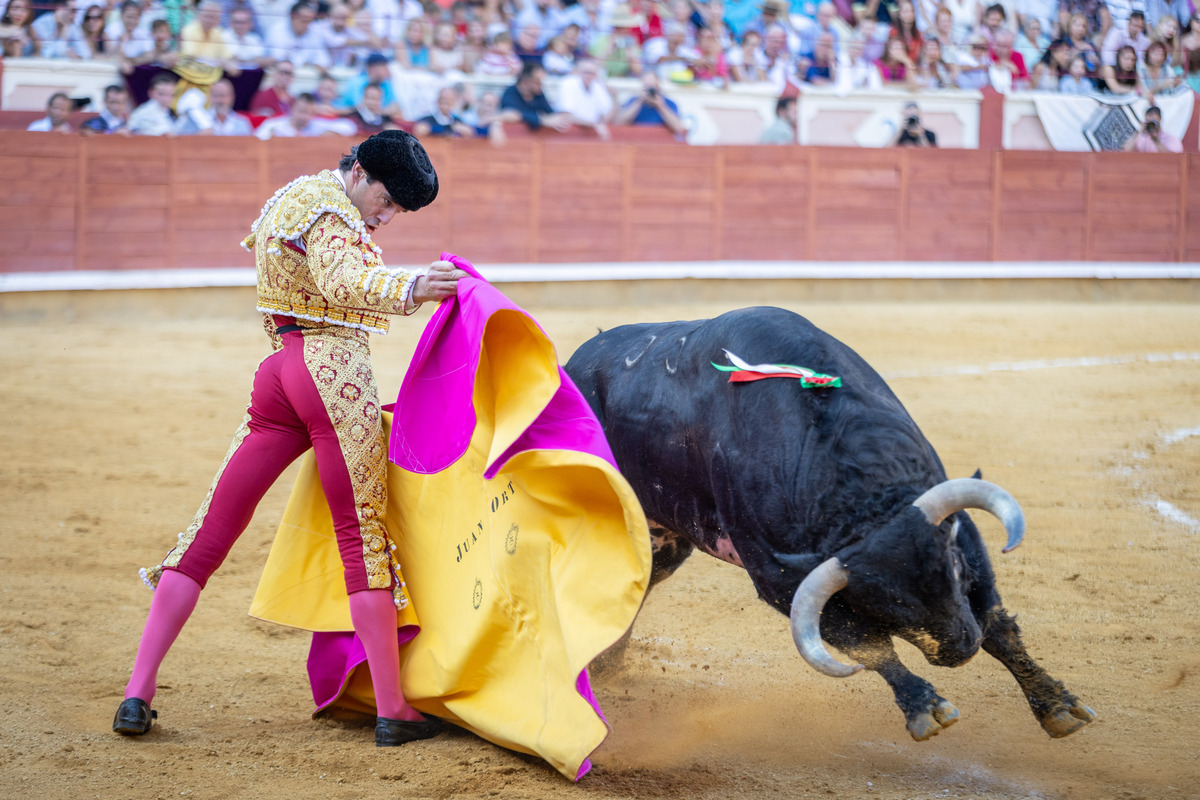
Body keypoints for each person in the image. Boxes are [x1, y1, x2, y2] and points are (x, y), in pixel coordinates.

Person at [112, 130, 465, 749]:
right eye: (385, 202)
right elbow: (342, 280)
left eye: (397, 213)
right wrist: (412, 288)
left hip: (278, 372)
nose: (385, 218)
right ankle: (392, 711)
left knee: (209, 530)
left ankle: (137, 692)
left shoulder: (292, 197)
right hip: (332, 374)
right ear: (358, 172)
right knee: (362, 537)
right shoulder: (332, 211)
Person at [499, 61, 574, 133]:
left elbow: (550, 113)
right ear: (525, 82)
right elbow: (513, 114)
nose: (541, 86)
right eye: (537, 82)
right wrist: (543, 120)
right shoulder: (510, 93)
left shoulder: (538, 94)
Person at [555, 57, 615, 140]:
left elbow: (606, 115)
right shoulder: (568, 83)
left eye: (592, 73)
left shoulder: (597, 85)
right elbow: (566, 116)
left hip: (591, 135)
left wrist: (615, 97)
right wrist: (595, 124)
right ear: (577, 72)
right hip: (569, 134)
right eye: (586, 72)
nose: (589, 76)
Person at [614, 70, 685, 137]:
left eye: (652, 87)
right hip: (636, 141)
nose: (650, 91)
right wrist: (639, 101)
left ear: (658, 86)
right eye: (647, 87)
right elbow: (620, 123)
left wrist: (660, 106)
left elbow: (678, 128)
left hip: (661, 143)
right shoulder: (634, 101)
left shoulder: (668, 103)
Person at [412, 86, 477, 137]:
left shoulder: (458, 121)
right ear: (437, 100)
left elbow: (469, 132)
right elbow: (419, 130)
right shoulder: (426, 120)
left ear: (454, 102)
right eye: (443, 99)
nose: (445, 101)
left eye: (449, 100)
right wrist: (452, 128)